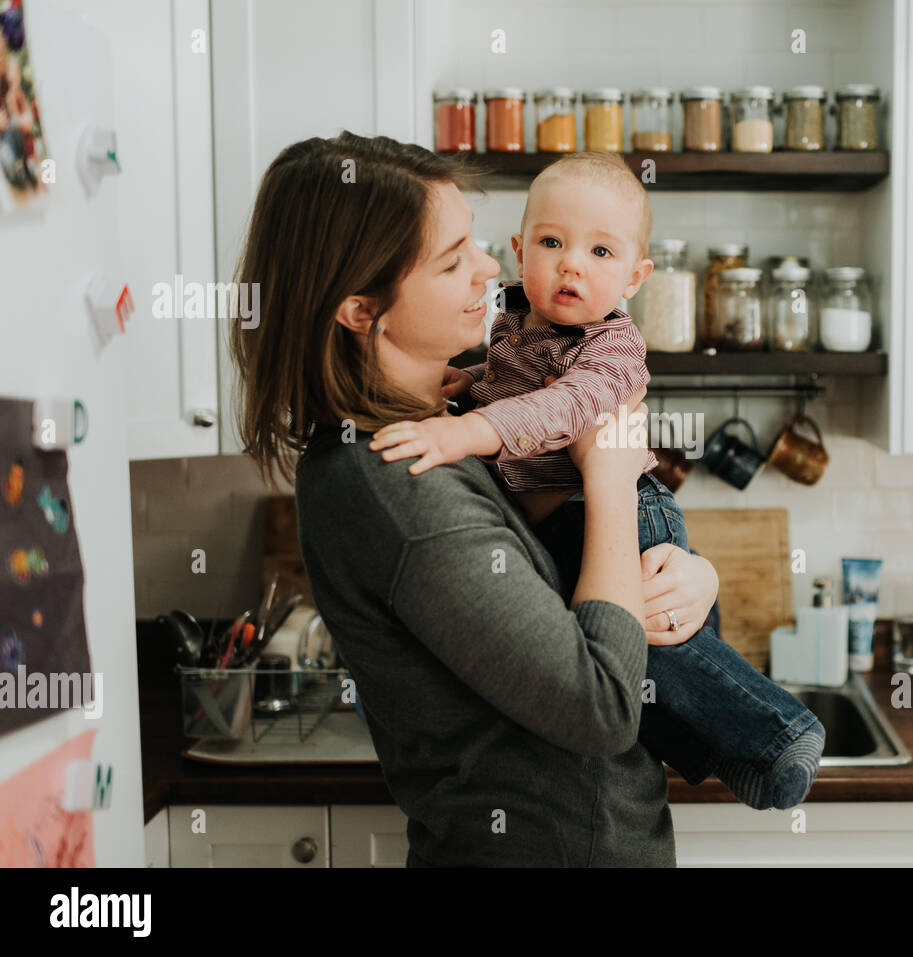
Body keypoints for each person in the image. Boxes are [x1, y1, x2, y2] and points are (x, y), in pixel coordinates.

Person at [229, 131, 723, 867]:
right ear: (361, 309)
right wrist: (614, 482)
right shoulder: (399, 480)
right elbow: (603, 705)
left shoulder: (446, 427)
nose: (492, 266)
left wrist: (692, 579)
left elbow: (575, 593)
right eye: (454, 259)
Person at [367, 151, 825, 810]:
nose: (572, 263)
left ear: (637, 276)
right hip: (568, 517)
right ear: (521, 249)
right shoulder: (513, 321)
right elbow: (510, 391)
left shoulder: (610, 350)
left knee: (658, 644)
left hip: (623, 506)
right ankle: (719, 749)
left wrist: (462, 430)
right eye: (552, 242)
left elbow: (562, 410)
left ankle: (780, 730)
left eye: (601, 252)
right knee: (628, 657)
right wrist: (469, 387)